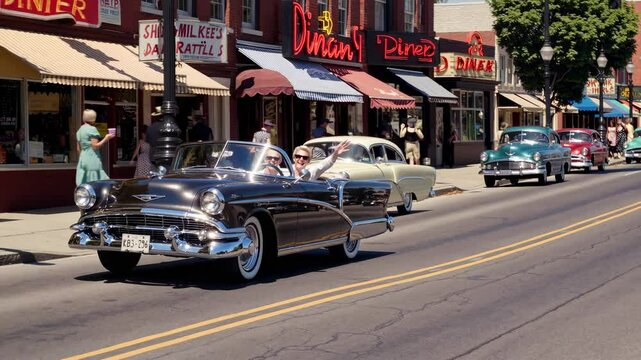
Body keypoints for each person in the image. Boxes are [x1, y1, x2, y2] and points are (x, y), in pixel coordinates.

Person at [75, 109, 114, 185]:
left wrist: (83, 157)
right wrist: (106, 138)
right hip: (92, 159)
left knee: (85, 185)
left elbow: (78, 149)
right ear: (93, 118)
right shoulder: (92, 129)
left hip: (83, 159)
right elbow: (95, 146)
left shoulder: (80, 130)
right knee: (97, 184)